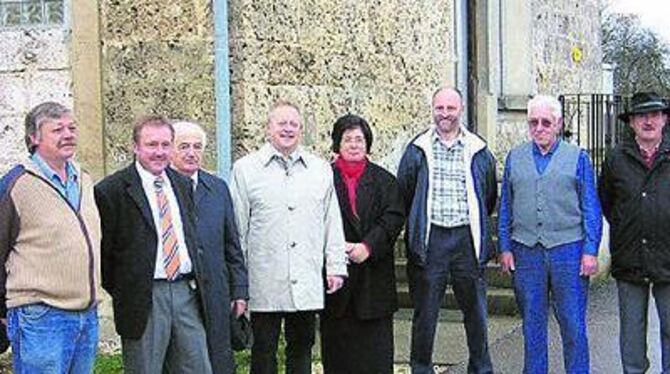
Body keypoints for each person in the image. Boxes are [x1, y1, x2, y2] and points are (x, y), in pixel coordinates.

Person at [230, 101, 347, 374]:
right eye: (281, 123)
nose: (288, 129)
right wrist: (238, 282)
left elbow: (332, 222)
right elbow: (237, 228)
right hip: (263, 278)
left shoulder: (319, 170)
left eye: (294, 124)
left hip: (305, 276)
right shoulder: (246, 169)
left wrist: (336, 266)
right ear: (268, 128)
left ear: (301, 130)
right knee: (263, 350)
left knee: (302, 349)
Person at [95, 115, 212, 373]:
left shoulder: (182, 184)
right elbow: (106, 255)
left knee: (197, 367)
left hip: (185, 293)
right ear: (135, 147)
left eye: (165, 145)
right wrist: (129, 289)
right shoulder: (112, 190)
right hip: (144, 297)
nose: (159, 152)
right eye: (151, 145)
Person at [498, 95, 602, 373]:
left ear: (558, 124)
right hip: (526, 251)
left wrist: (590, 250)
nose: (539, 128)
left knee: (573, 324)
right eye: (533, 122)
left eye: (546, 122)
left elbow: (591, 207)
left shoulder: (578, 158)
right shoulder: (515, 157)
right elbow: (506, 205)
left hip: (568, 250)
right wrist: (505, 247)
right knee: (532, 324)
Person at [397, 87, 498, 374]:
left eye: (450, 108)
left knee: (476, 313)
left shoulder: (478, 149)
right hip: (432, 240)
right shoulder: (417, 149)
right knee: (425, 314)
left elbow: (487, 195)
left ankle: (481, 368)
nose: (445, 114)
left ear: (461, 109)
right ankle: (421, 368)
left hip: (466, 239)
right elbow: (405, 192)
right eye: (440, 108)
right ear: (433, 109)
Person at [0, 102, 101, 373]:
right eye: (57, 129)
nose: (68, 134)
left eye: (72, 128)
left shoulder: (83, 179)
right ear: (34, 138)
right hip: (41, 315)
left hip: (86, 313)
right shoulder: (16, 184)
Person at [320, 114, 405, 374]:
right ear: (337, 144)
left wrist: (367, 246)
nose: (354, 144)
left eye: (359, 139)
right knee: (339, 359)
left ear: (367, 143)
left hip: (374, 283)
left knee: (375, 360)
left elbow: (393, 218)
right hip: (337, 284)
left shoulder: (385, 180)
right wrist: (336, 247)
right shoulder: (322, 178)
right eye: (348, 139)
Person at [598, 91, 670, 374]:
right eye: (641, 115)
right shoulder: (616, 159)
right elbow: (607, 202)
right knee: (631, 334)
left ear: (665, 119)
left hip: (668, 258)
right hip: (630, 257)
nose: (648, 121)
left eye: (654, 114)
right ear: (631, 123)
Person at [170, 121, 249, 374]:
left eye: (197, 147)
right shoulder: (163, 190)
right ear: (170, 150)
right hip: (179, 292)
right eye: (183, 147)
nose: (191, 153)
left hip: (216, 290)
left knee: (218, 360)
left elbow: (232, 244)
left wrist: (239, 291)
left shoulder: (217, 188)